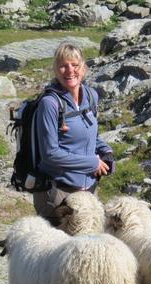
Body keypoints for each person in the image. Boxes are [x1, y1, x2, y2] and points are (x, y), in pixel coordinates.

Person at [32, 42, 114, 225]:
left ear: (83, 67)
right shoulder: (49, 104)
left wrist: (106, 152)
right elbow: (50, 155)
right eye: (63, 65)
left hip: (89, 189)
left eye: (74, 65)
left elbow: (91, 135)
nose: (69, 70)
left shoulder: (91, 96)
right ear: (56, 70)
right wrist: (92, 162)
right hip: (58, 193)